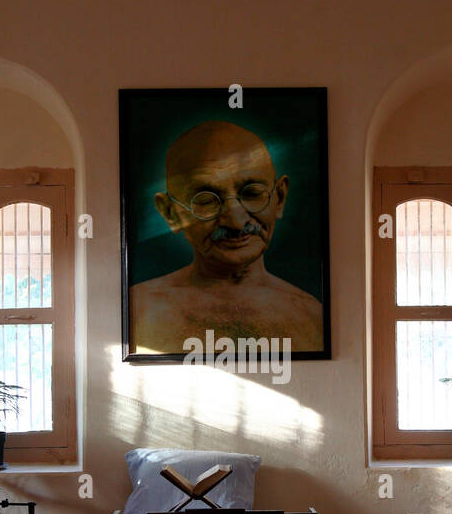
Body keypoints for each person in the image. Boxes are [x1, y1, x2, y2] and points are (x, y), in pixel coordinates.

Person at [131, 120, 324, 354]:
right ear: (170, 213)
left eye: (252, 193)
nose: (236, 222)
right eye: (206, 200)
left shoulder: (312, 317)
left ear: (280, 198)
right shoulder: (139, 310)